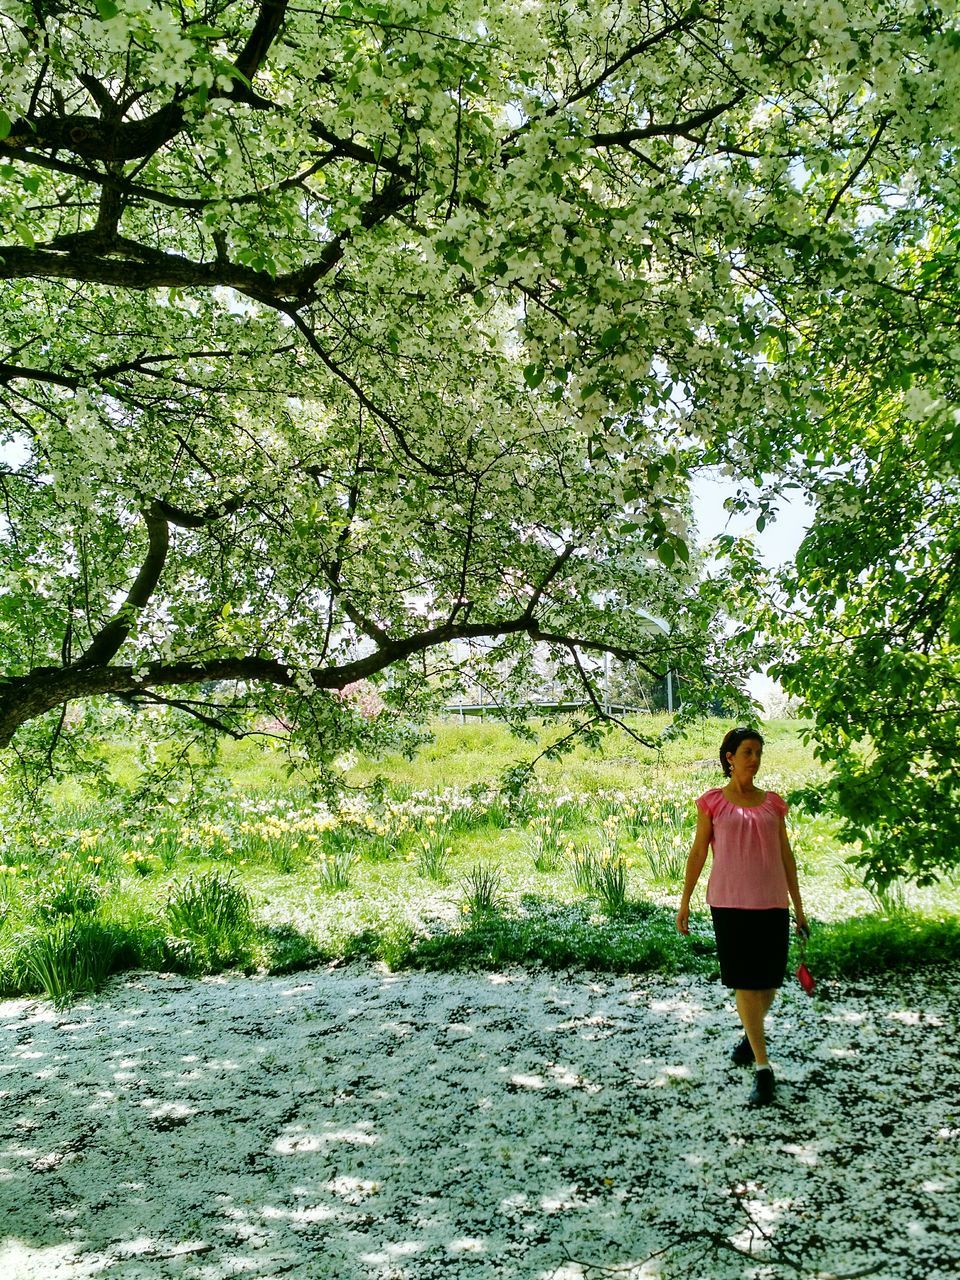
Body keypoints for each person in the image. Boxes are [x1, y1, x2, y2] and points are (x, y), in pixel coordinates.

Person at [675, 726, 808, 1107]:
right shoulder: (712, 803)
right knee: (747, 982)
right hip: (730, 904)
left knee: (769, 981)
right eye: (747, 751)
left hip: (772, 903)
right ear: (729, 757)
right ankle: (763, 1070)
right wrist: (685, 900)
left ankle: (751, 1036)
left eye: (758, 752)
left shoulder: (773, 804)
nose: (755, 759)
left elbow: (787, 857)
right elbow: (698, 852)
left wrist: (798, 907)